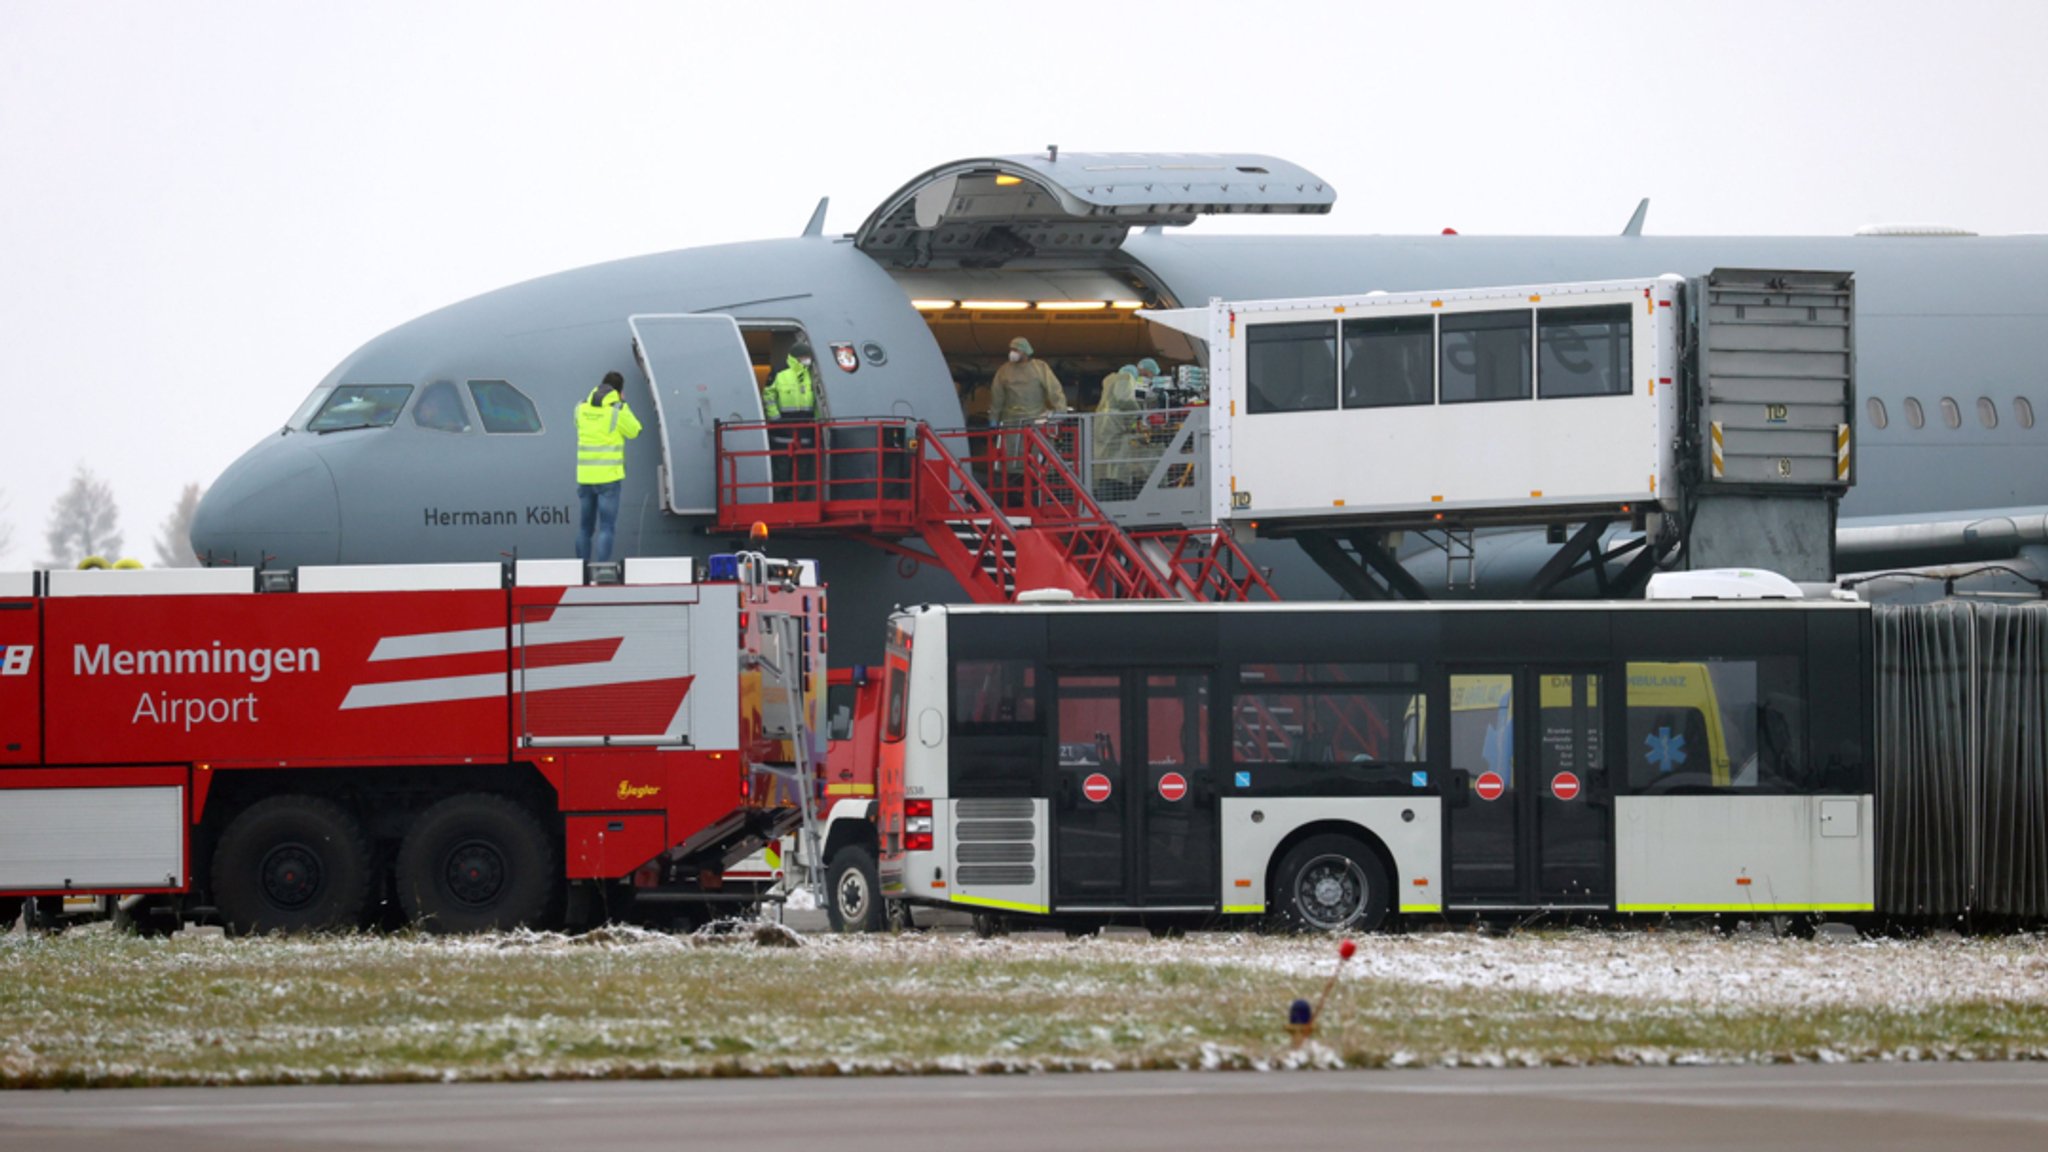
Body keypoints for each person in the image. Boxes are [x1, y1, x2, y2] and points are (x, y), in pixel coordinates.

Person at [988, 336, 1066, 506]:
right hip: (1010, 424)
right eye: (1011, 349)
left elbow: (1054, 391)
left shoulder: (1040, 368)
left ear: (1025, 351)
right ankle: (1009, 501)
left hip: (1035, 423)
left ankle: (1034, 500)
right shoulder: (1004, 371)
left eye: (1016, 350)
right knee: (1010, 464)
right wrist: (994, 418)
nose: (1012, 353)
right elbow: (997, 397)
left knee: (1033, 463)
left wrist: (1060, 412)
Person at [573, 370, 641, 563]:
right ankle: (601, 567)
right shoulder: (617, 411)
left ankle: (581, 568)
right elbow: (635, 431)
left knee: (585, 528)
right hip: (609, 479)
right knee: (606, 527)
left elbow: (577, 424)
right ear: (620, 392)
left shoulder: (580, 408)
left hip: (585, 477)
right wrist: (623, 405)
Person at [763, 340, 823, 500]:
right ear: (796, 357)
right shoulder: (779, 371)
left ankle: (799, 504)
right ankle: (781, 504)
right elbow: (769, 396)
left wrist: (817, 423)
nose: (807, 360)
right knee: (782, 474)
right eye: (804, 357)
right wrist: (776, 420)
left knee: (803, 475)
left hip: (805, 434)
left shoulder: (812, 374)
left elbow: (818, 401)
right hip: (782, 434)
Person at [1093, 365, 1145, 500]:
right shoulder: (1125, 378)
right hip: (1114, 424)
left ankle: (1104, 498)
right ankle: (1113, 500)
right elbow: (1124, 399)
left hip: (1102, 423)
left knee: (1104, 466)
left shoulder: (1109, 380)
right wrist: (1139, 412)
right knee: (1114, 468)